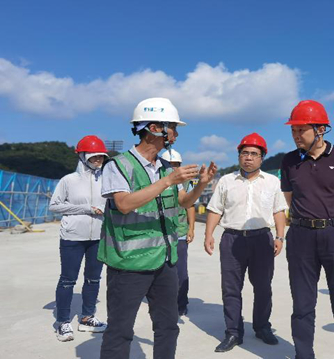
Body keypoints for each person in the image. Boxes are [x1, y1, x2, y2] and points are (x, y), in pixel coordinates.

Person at [98, 97, 217, 359]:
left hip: (165, 261)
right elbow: (123, 204)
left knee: (168, 326)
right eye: (172, 127)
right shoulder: (118, 165)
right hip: (129, 264)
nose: (176, 133)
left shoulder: (164, 168)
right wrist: (167, 181)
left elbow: (182, 201)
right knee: (120, 330)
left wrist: (201, 184)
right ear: (154, 128)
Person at [280, 100, 334, 359]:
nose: (296, 135)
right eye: (293, 130)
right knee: (302, 304)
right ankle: (303, 355)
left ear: (320, 130)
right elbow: (290, 198)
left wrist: (331, 218)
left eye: (301, 130)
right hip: (301, 236)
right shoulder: (289, 161)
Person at [204, 133, 287, 353]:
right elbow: (215, 209)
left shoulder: (272, 182)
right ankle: (233, 332)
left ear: (262, 157)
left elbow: (279, 210)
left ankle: (262, 326)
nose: (248, 157)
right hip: (232, 239)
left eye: (254, 154)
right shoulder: (226, 181)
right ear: (239, 155)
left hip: (262, 240)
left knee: (263, 287)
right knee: (231, 288)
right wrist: (208, 234)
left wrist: (280, 237)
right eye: (245, 153)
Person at [49, 135, 109, 342]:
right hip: (72, 237)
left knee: (94, 279)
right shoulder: (68, 180)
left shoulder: (106, 179)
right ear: (82, 156)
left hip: (98, 236)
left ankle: (87, 318)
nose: (98, 160)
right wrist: (85, 208)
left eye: (101, 156)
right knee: (68, 279)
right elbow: (54, 206)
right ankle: (62, 322)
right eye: (94, 156)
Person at [160, 148, 196, 317]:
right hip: (159, 233)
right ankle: (163, 302)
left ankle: (181, 304)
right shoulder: (157, 180)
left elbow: (190, 206)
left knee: (180, 271)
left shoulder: (188, 183)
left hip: (179, 231)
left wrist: (191, 228)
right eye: (170, 164)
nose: (173, 167)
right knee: (161, 271)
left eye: (176, 164)